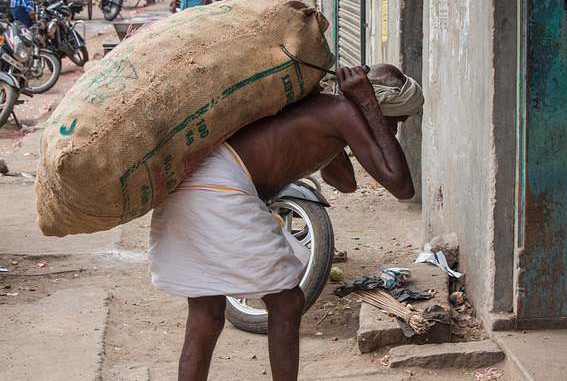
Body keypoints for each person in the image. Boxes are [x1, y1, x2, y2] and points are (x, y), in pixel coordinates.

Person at [148, 64, 424, 380]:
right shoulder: (343, 111)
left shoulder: (331, 112)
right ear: (380, 105)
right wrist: (370, 108)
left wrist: (358, 122)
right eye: (397, 120)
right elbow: (402, 186)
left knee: (206, 316)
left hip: (191, 183)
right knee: (287, 302)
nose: (396, 130)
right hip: (219, 188)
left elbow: (344, 182)